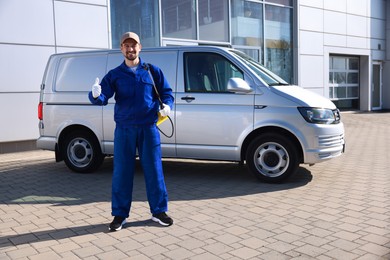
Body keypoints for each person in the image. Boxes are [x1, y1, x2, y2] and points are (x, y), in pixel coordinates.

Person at [88, 32, 174, 231]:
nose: (130, 49)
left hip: (148, 128)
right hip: (124, 129)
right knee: (122, 172)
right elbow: (102, 98)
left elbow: (167, 93)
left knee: (154, 170)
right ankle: (119, 215)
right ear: (121, 49)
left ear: (140, 47)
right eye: (126, 46)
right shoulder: (115, 75)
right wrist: (95, 95)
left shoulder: (152, 71)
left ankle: (159, 211)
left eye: (133, 45)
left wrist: (167, 106)